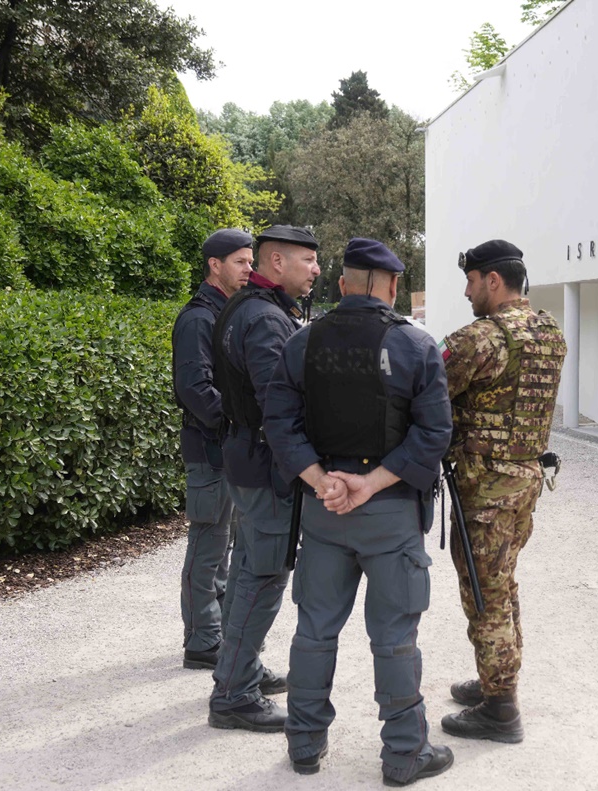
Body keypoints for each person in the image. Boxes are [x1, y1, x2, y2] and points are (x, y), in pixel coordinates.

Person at [265, 238, 455, 785]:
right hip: (389, 510)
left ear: (345, 283)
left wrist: (325, 481)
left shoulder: (302, 342)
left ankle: (303, 744)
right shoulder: (416, 346)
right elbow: (434, 433)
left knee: (314, 631)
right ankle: (403, 754)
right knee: (394, 637)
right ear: (392, 286)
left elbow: (280, 424)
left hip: (325, 510)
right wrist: (368, 484)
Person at [437, 239, 566, 745]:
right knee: (503, 584)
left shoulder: (482, 339)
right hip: (527, 480)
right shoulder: (550, 331)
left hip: (485, 486)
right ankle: (498, 682)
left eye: (471, 280)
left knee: (485, 593)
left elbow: (426, 390)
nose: (467, 291)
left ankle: (500, 710)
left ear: (493, 280)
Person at [206, 225, 320, 732]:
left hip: (246, 455)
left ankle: (239, 671)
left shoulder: (245, 306)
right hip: (264, 463)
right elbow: (280, 405)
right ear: (276, 262)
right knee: (264, 575)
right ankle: (233, 692)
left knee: (253, 567)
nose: (317, 270)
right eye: (308, 261)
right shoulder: (267, 319)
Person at [172, 228, 253, 670]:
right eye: (240, 262)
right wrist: (236, 423)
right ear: (215, 265)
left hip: (232, 449)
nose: (249, 269)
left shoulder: (229, 313)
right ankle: (202, 640)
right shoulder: (199, 318)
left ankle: (215, 633)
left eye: (249, 261)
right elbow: (194, 388)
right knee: (208, 545)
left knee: (227, 547)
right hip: (210, 450)